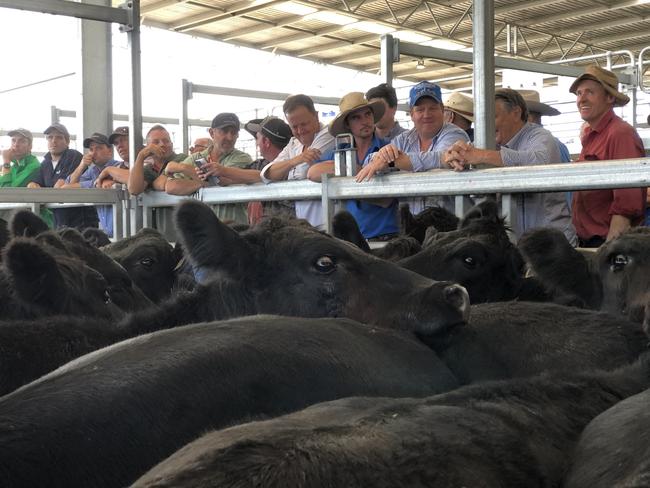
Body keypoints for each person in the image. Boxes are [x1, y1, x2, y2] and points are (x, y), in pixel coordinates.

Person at [444, 88, 576, 244]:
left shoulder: (540, 136)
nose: (487, 125)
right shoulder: (488, 142)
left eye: (493, 117)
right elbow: (463, 155)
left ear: (516, 113)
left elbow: (538, 161)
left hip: (550, 246)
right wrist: (455, 156)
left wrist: (480, 155)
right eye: (482, 120)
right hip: (519, 245)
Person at [356, 81, 470, 215]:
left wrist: (392, 161)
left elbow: (445, 157)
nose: (427, 115)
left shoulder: (455, 134)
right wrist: (380, 157)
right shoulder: (403, 139)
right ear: (411, 114)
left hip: (450, 228)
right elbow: (369, 163)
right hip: (413, 227)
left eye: (432, 108)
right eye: (420, 110)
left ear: (442, 110)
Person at [569, 65, 646, 247]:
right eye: (579, 93)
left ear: (610, 97)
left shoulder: (620, 133)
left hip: (606, 241)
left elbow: (627, 202)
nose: (582, 99)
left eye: (590, 92)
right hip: (590, 239)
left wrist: (609, 252)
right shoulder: (592, 135)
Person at [307, 92, 398, 240]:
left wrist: (344, 184)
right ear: (347, 124)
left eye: (368, 114)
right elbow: (312, 172)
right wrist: (358, 170)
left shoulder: (387, 149)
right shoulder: (340, 150)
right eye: (356, 117)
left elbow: (386, 200)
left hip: (386, 236)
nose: (365, 121)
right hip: (352, 239)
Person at [260, 94, 335, 229]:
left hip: (330, 223)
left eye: (304, 124)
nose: (300, 131)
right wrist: (294, 161)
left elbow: (305, 170)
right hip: (306, 224)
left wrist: (288, 166)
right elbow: (269, 173)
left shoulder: (328, 135)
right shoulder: (293, 143)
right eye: (294, 127)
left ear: (316, 116)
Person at [166, 113, 254, 225]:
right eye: (224, 131)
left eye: (234, 132)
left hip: (232, 230)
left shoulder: (242, 158)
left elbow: (220, 180)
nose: (230, 137)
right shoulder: (196, 157)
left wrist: (182, 167)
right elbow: (171, 186)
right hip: (204, 231)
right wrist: (203, 184)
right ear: (212, 133)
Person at [27, 123, 98, 230]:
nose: (53, 141)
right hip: (58, 220)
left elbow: (61, 186)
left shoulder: (73, 155)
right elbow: (34, 185)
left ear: (68, 141)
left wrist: (42, 193)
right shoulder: (45, 163)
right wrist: (33, 185)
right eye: (50, 137)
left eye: (59, 137)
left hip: (81, 222)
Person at [63, 133, 121, 237]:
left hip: (126, 229)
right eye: (91, 149)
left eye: (98, 148)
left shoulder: (119, 167)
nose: (93, 153)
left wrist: (89, 184)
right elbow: (66, 187)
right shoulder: (92, 171)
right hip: (108, 232)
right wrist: (82, 165)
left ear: (110, 151)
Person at [244, 116, 294, 225]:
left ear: (266, 141)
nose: (256, 143)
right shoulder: (260, 165)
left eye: (257, 137)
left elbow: (257, 175)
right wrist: (256, 194)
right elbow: (239, 176)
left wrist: (258, 193)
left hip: (285, 233)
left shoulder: (293, 169)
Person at [0, 128, 53, 227]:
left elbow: (7, 193)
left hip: (32, 224)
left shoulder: (34, 167)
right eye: (13, 140)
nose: (16, 144)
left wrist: (6, 162)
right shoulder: (14, 167)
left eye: (22, 141)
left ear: (30, 146)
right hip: (14, 219)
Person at [127, 124, 187, 195]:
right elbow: (134, 190)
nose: (162, 144)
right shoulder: (149, 169)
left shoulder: (182, 158)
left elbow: (161, 182)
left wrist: (150, 185)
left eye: (166, 141)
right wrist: (141, 156)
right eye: (156, 142)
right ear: (148, 147)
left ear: (172, 144)